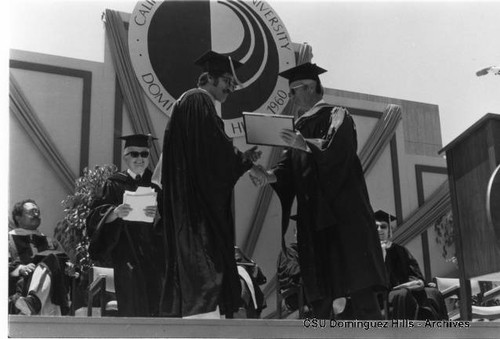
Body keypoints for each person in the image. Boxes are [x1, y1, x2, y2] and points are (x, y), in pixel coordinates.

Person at [250, 62, 387, 319]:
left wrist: (306, 145)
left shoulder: (337, 114)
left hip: (342, 218)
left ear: (312, 88)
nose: (290, 97)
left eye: (294, 90)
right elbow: (287, 170)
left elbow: (339, 149)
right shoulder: (298, 128)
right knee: (321, 295)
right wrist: (266, 176)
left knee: (358, 290)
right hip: (314, 221)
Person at [158, 50, 262, 319]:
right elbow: (215, 152)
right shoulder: (197, 101)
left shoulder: (188, 104)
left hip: (188, 205)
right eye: (227, 80)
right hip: (195, 212)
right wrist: (244, 161)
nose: (231, 87)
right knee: (204, 274)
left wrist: (241, 159)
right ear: (208, 78)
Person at [87, 133, 163, 317]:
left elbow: (169, 221)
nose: (140, 159)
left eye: (144, 154)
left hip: (153, 255)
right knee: (131, 305)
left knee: (155, 305)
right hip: (126, 253)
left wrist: (157, 216)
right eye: (135, 154)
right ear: (126, 157)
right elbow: (94, 216)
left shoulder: (156, 185)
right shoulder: (114, 184)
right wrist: (114, 213)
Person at [375, 210, 448, 320]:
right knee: (402, 294)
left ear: (389, 230)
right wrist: (383, 254)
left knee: (433, 293)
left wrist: (418, 282)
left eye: (383, 226)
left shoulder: (400, 250)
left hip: (404, 288)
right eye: (376, 227)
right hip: (382, 294)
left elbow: (414, 273)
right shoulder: (370, 252)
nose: (379, 230)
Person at [9, 199, 72, 316]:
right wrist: (20, 269)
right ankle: (31, 302)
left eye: (37, 211)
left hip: (53, 294)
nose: (36, 214)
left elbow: (66, 262)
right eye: (32, 212)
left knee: (52, 258)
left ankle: (32, 302)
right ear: (18, 217)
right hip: (20, 291)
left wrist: (71, 268)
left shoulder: (51, 242)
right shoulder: (8, 240)